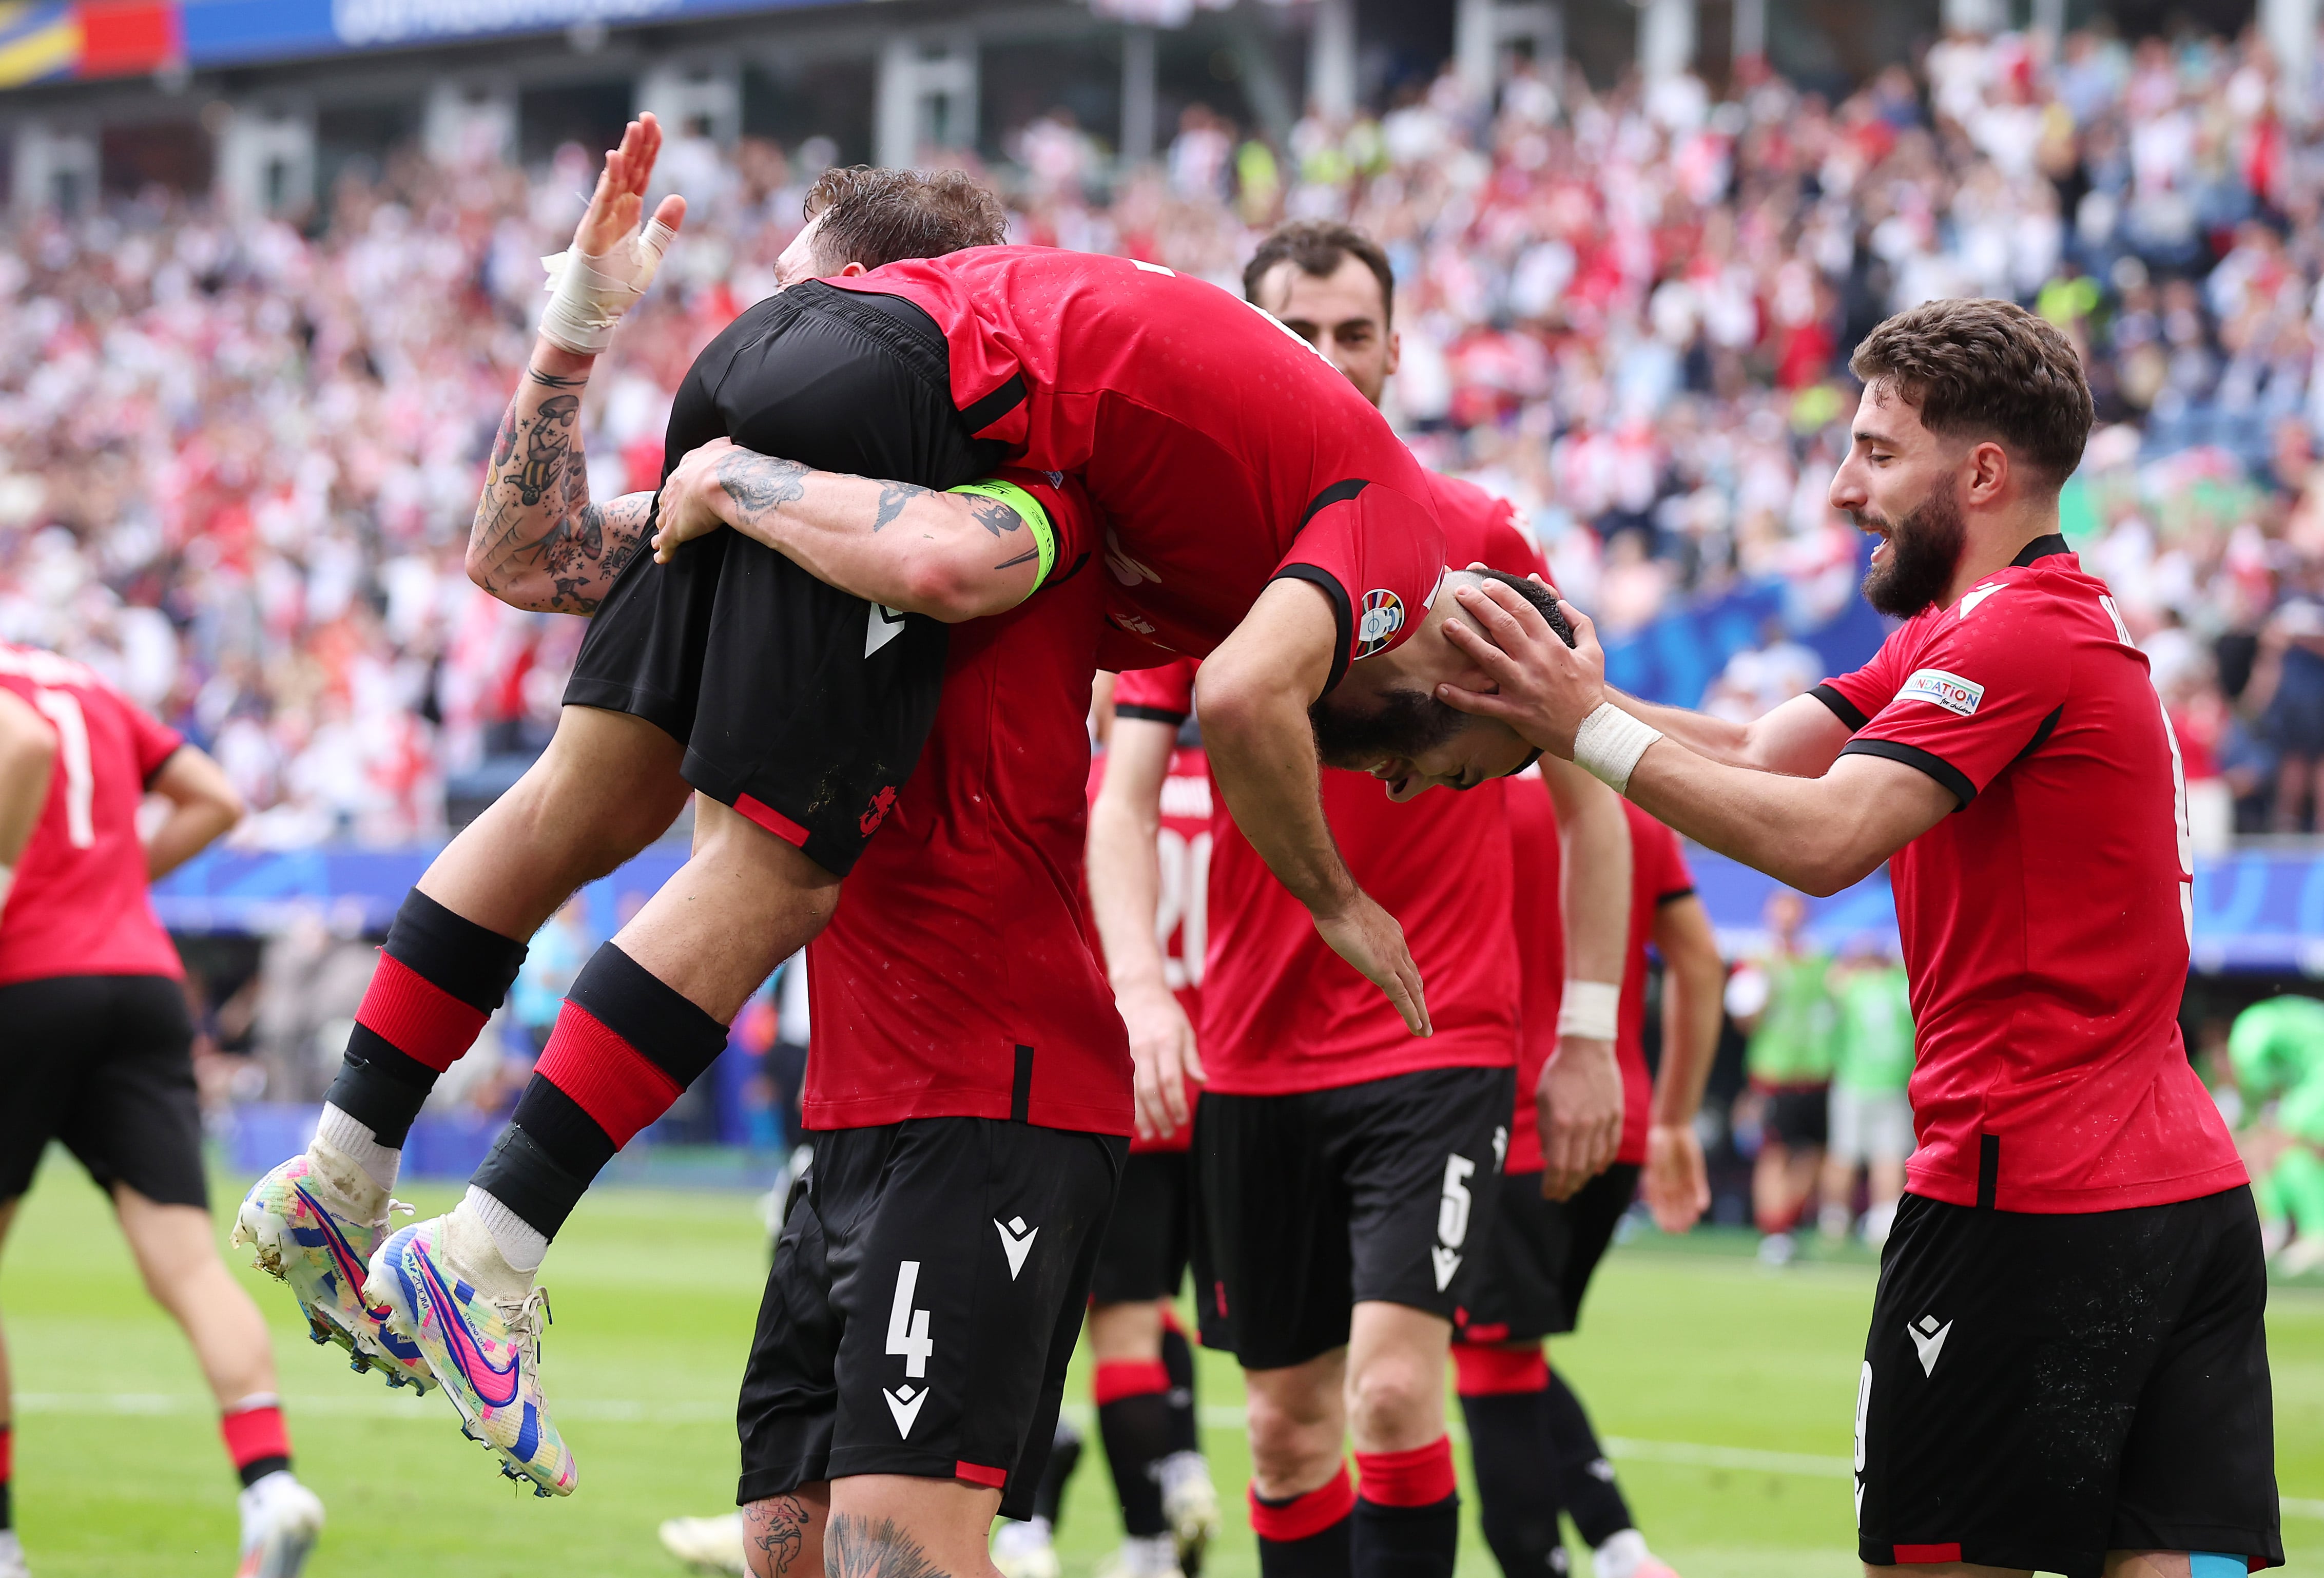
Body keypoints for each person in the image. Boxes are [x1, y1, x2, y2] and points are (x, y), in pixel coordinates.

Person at [1434, 297, 2280, 1577]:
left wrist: (1580, 730)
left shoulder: (2007, 639)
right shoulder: (1992, 630)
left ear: (1981, 472)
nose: (1840, 489)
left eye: (1876, 453)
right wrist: (1565, 695)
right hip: (2174, 1195)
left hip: (2025, 1195)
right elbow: (1756, 753)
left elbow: (1823, 839)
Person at [1084, 220, 1634, 1578]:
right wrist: (1147, 1000)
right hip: (1252, 1053)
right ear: (1249, 342)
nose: (1327, 357)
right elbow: (1123, 800)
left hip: (1433, 1040)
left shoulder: (1479, 537)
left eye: (1352, 332)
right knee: (1280, 1428)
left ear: (1396, 350)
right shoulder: (1198, 564)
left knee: (1393, 1393)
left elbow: (1589, 790)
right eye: (1298, 332)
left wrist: (1586, 1031)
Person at [0, 644, 326, 1578]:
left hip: (23, 978)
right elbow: (220, 799)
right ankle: (270, 1486)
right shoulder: (84, 680)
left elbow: (19, 746)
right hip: (138, 978)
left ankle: (3, 1540)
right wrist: (103, 885)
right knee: (185, 1263)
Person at [1453, 796, 1722, 1578]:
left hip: (1510, 1122)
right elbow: (1698, 959)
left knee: (1488, 1360)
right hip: (1618, 1125)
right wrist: (1673, 1119)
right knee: (1506, 1344)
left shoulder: (1458, 788)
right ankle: (1618, 1544)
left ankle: (1575, 1555)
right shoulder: (1623, 804)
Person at [992, 741, 1218, 1578]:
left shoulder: (1097, 788)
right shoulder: (1240, 778)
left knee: (1092, 1324)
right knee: (1158, 1308)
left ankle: (1136, 1542)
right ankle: (1180, 1471)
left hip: (1118, 1080)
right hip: (1216, 1080)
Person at [1730, 890, 1836, 1263]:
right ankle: (1774, 1232)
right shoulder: (1758, 961)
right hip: (1775, 1073)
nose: (1788, 917)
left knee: (1812, 1154)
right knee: (1774, 1154)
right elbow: (1743, 1019)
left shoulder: (1821, 960)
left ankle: (1786, 1224)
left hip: (1817, 1071)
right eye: (1781, 910)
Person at [1818, 939, 1915, 1246]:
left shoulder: (1849, 987)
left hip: (1856, 1082)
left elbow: (1829, 987)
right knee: (1886, 1155)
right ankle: (1882, 1220)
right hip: (1888, 1082)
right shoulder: (1900, 987)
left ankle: (1835, 1219)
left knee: (1845, 1154)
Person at [2225, 994, 2324, 1274]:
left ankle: (2299, 1232)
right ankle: (2292, 1230)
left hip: (2319, 1076)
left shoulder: (2247, 1040)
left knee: (2281, 1148)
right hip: (2312, 1078)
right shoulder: (2272, 1035)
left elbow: (2264, 1107)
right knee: (2296, 1157)